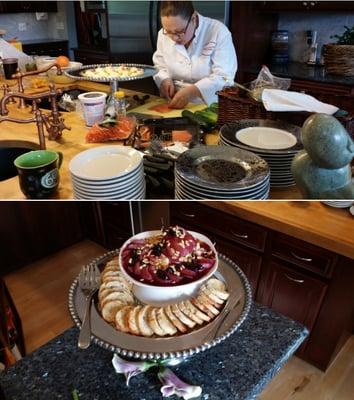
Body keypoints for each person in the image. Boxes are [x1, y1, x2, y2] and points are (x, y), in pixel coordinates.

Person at [152, 1, 237, 109]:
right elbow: (159, 65)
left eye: (180, 31)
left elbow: (224, 77)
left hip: (210, 106)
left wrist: (193, 91)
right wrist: (164, 79)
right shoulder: (162, 34)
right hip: (173, 102)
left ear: (193, 18)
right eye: (168, 31)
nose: (174, 38)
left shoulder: (218, 32)